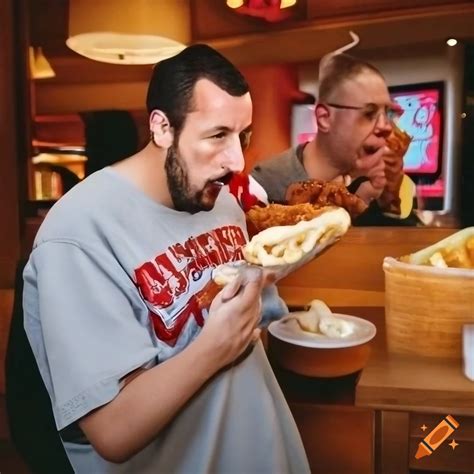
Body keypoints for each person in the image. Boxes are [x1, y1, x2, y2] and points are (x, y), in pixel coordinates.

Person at [22, 44, 310, 473]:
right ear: (161, 127)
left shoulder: (222, 200)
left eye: (242, 136)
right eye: (217, 135)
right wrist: (214, 348)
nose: (236, 160)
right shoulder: (77, 235)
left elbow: (253, 331)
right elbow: (112, 431)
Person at [251, 51, 419, 226]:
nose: (385, 126)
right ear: (324, 118)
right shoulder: (266, 186)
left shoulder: (375, 183)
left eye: (388, 113)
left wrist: (386, 199)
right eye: (369, 113)